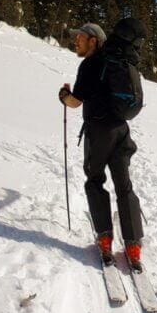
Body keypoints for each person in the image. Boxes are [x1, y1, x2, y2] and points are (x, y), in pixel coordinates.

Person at [58, 22, 144, 268]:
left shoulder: (90, 64)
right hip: (121, 132)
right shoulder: (116, 62)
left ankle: (105, 239)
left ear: (93, 40)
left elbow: (75, 102)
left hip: (98, 132)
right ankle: (133, 244)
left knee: (95, 181)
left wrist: (63, 95)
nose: (76, 41)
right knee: (124, 186)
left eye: (81, 37)